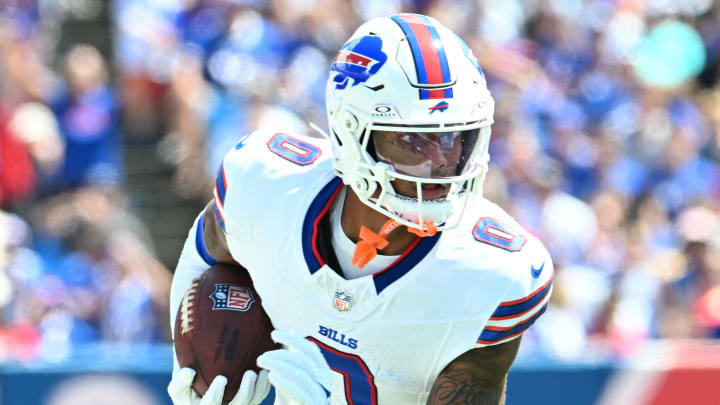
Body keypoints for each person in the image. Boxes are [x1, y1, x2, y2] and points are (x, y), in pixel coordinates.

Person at [168, 13, 553, 405]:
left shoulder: (488, 275)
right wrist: (191, 368)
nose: (442, 161)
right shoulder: (266, 185)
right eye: (414, 139)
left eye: (457, 136)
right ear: (351, 134)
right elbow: (208, 247)